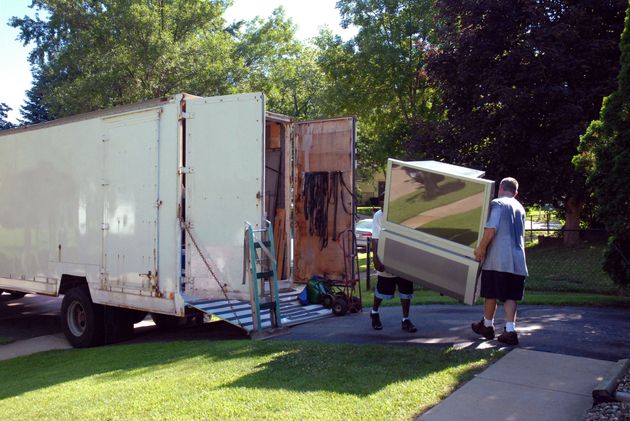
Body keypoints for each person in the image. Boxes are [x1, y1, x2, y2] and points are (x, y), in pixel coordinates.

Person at [471, 177, 528, 345]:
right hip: (517, 260)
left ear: (500, 189)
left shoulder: (498, 204)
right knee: (511, 297)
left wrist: (481, 249)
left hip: (498, 258)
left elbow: (491, 229)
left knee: (491, 293)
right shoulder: (520, 207)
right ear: (515, 193)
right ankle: (510, 330)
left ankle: (487, 326)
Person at [370, 195, 417, 333]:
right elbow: (375, 238)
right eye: (381, 201)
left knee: (406, 290)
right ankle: (374, 313)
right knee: (383, 289)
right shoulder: (379, 216)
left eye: (385, 200)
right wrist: (376, 259)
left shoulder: (401, 214)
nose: (382, 204)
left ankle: (406, 320)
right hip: (386, 259)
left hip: (403, 259)